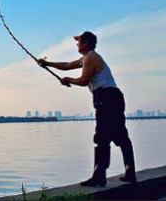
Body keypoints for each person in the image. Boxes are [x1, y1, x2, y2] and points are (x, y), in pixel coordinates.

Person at [37, 31, 136, 187]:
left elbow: (84, 81)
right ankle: (129, 173)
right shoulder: (86, 58)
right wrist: (47, 64)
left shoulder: (91, 58)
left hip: (107, 98)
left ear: (86, 43)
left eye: (79, 41)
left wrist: (69, 80)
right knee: (120, 135)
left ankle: (99, 177)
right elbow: (67, 65)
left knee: (102, 137)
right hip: (111, 98)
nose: (77, 44)